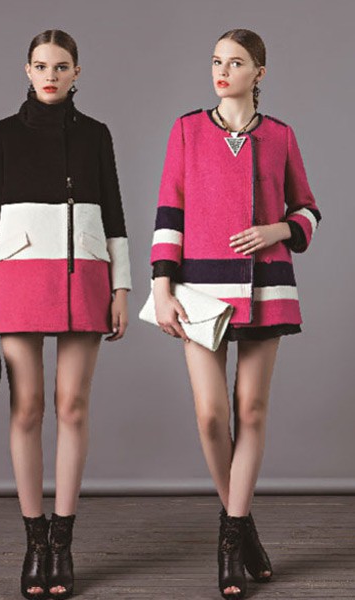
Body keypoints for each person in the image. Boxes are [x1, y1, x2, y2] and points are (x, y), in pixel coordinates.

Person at [0, 29, 131, 600]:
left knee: (72, 406)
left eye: (61, 66)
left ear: (77, 72)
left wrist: (121, 286)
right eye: (41, 65)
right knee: (26, 407)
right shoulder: (3, 133)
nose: (50, 75)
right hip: (19, 277)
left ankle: (63, 541)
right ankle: (34, 541)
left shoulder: (96, 134)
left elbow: (115, 210)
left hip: (86, 277)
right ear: (27, 70)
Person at [150, 28, 321, 599]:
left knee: (250, 409)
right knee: (209, 415)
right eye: (217, 61)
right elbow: (169, 209)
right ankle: (243, 525)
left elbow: (308, 210)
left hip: (267, 285)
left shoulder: (280, 136)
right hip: (200, 288)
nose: (222, 71)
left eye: (236, 62)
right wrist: (161, 284)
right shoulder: (186, 130)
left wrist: (279, 229)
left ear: (259, 73)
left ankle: (228, 539)